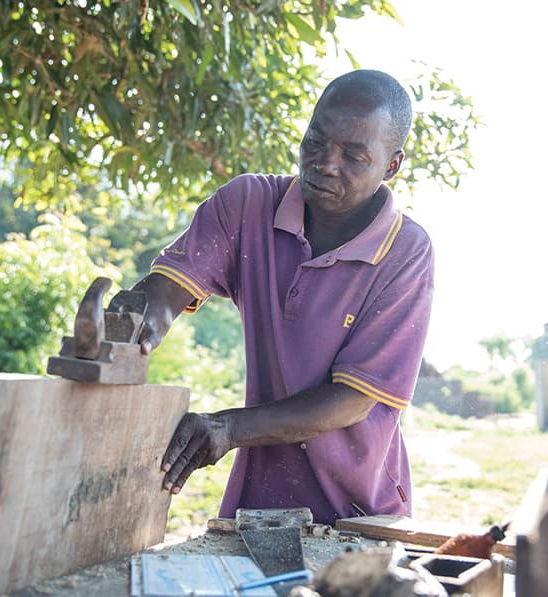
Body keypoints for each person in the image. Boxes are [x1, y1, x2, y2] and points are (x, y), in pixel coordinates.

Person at [125, 69, 433, 525]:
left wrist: (228, 428)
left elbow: (352, 400)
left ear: (391, 165)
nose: (325, 163)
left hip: (359, 512)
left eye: (353, 155)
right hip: (260, 504)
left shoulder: (405, 252)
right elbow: (170, 287)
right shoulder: (247, 205)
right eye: (315, 140)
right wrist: (132, 320)